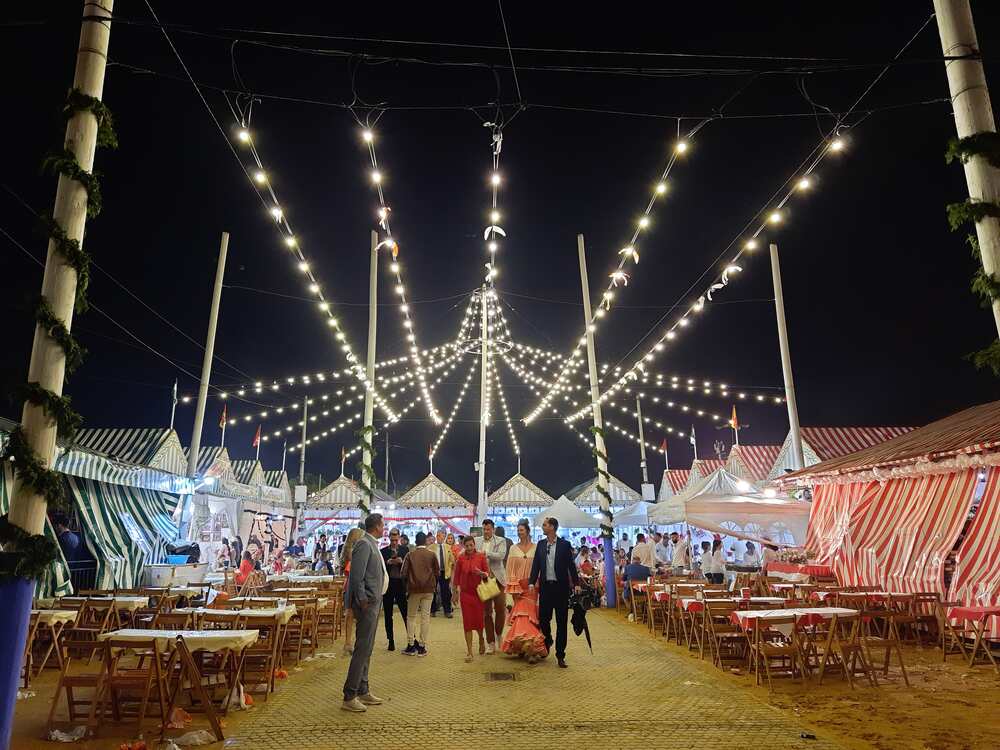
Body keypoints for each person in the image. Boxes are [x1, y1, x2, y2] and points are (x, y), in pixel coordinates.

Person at [342, 514, 387, 713]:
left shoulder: (372, 544)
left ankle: (363, 688)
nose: (384, 527)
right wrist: (363, 600)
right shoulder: (363, 544)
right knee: (362, 649)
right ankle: (349, 694)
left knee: (367, 648)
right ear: (377, 526)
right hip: (367, 604)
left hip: (373, 603)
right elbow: (356, 577)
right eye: (383, 524)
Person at [528, 517, 580, 669]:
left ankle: (560, 655)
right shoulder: (541, 544)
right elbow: (536, 564)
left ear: (552, 527)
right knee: (544, 620)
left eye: (545, 525)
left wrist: (576, 583)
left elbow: (571, 566)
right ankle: (548, 638)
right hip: (546, 588)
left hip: (561, 589)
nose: (543, 527)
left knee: (561, 622)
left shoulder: (564, 545)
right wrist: (532, 581)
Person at [400, 531, 439, 656]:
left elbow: (403, 573)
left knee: (411, 617)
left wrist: (407, 585)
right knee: (425, 618)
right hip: (429, 589)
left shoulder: (410, 555)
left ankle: (411, 645)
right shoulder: (432, 555)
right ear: (426, 541)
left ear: (415, 542)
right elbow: (438, 572)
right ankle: (422, 647)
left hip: (414, 589)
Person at [453, 534, 489, 662]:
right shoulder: (460, 559)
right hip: (465, 595)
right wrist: (454, 593)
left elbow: (487, 574)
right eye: (467, 546)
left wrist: (482, 574)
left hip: (478, 594)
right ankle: (469, 651)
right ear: (464, 545)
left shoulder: (481, 556)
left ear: (474, 545)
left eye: (471, 545)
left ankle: (481, 639)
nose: (469, 548)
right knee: (467, 623)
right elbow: (456, 578)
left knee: (479, 622)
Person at [475, 519, 508, 654]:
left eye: (488, 529)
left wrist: (485, 553)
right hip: (484, 580)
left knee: (500, 608)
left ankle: (499, 634)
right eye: (484, 529)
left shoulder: (501, 540)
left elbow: (501, 556)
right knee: (486, 612)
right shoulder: (477, 541)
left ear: (493, 529)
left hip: (498, 579)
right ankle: (490, 642)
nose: (486, 532)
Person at [380, 528, 408, 651]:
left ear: (399, 538)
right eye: (392, 540)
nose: (394, 542)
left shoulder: (405, 550)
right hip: (388, 585)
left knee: (405, 613)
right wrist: (388, 562)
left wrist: (401, 562)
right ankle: (390, 640)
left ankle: (411, 639)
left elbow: (408, 568)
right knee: (388, 614)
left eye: (396, 540)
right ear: (389, 538)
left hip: (400, 585)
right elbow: (380, 569)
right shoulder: (383, 551)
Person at [340, 527, 365, 656]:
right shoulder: (355, 552)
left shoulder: (345, 551)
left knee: (349, 614)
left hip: (347, 583)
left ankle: (348, 642)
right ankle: (352, 642)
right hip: (354, 583)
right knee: (356, 613)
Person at [429, 530, 456, 618]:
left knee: (446, 592)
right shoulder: (431, 547)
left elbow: (452, 560)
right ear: (436, 536)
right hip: (434, 572)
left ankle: (447, 611)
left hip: (445, 572)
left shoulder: (448, 547)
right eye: (439, 536)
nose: (440, 538)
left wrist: (452, 563)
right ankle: (432, 610)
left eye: (442, 536)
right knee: (432, 591)